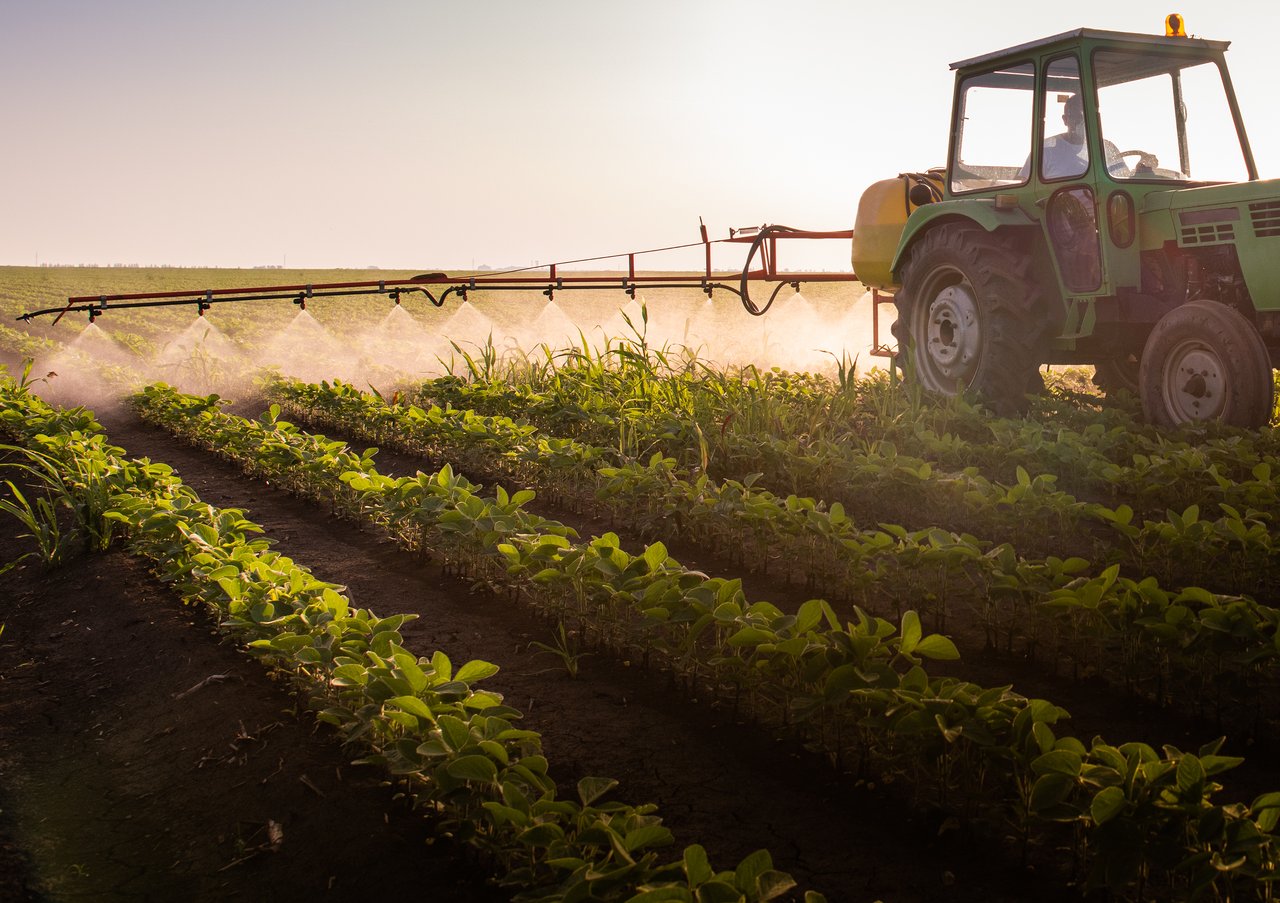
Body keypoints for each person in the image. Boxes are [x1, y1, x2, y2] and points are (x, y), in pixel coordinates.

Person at [1029, 94, 1128, 180]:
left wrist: (1138, 172)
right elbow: (1027, 185)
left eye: (1088, 117)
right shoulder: (1044, 150)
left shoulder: (1107, 148)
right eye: (1077, 116)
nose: (1083, 122)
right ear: (1065, 119)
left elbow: (1123, 178)